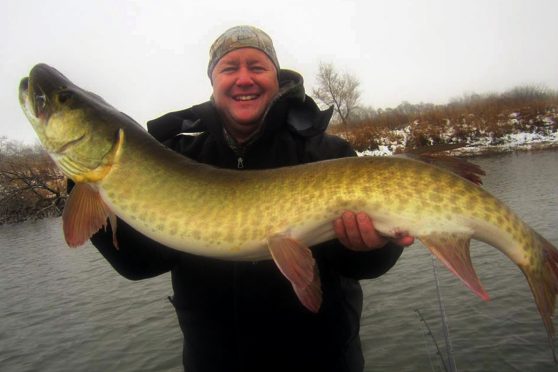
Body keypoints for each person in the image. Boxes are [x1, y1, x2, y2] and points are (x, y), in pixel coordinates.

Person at [89, 25, 413, 372]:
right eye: (229, 68)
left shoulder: (326, 153)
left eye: (257, 67)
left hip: (323, 361)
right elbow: (139, 263)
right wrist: (83, 179)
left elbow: (364, 267)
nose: (244, 79)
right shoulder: (177, 158)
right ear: (214, 82)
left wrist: (372, 247)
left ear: (276, 77)